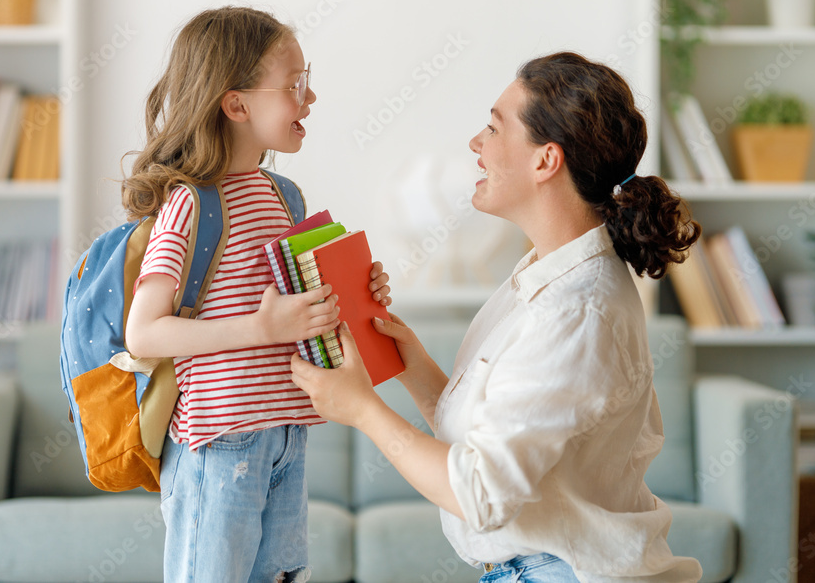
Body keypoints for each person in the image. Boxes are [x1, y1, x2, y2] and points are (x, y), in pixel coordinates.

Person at [292, 51, 704, 583]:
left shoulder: (576, 311)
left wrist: (363, 411)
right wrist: (411, 362)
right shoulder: (543, 275)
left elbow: (481, 493)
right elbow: (495, 441)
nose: (475, 145)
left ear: (545, 161)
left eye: (493, 127)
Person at [121, 6, 392, 583]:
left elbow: (300, 315)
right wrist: (261, 328)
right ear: (236, 104)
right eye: (295, 85)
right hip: (218, 444)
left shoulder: (284, 195)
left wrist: (354, 295)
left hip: (286, 437)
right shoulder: (190, 203)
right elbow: (144, 331)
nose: (311, 97)